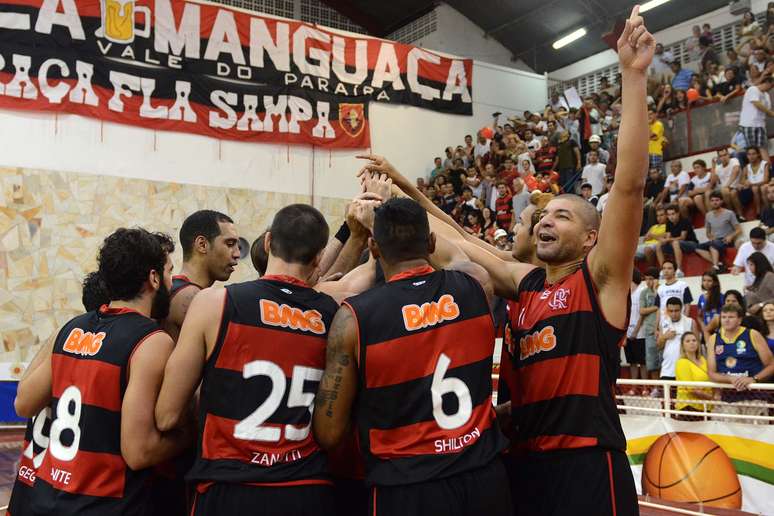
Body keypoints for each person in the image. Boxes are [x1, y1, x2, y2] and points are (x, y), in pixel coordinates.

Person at [354, 11, 651, 514]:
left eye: (562, 214)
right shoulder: (526, 284)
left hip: (585, 462)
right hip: (523, 460)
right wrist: (396, 199)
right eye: (542, 215)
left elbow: (629, 184)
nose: (544, 220)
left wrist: (633, 75)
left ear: (591, 239)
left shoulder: (599, 280)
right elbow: (453, 240)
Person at [153, 201, 382, 516]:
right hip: (306, 490)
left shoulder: (213, 303)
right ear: (317, 259)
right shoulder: (337, 315)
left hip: (228, 487)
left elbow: (167, 415)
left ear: (268, 242)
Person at [312, 198, 512, 516]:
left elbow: (329, 432)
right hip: (482, 479)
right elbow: (458, 253)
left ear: (375, 248)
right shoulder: (476, 285)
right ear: (430, 241)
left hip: (404, 488)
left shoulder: (354, 318)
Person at [13, 228, 194, 515]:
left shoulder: (73, 327)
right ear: (153, 278)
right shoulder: (151, 341)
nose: (172, 282)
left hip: (46, 499)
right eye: (169, 272)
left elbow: (23, 404)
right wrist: (191, 433)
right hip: (102, 504)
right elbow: (138, 453)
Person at [6, 271, 111, 516]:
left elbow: (23, 399)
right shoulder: (104, 346)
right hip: (55, 485)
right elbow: (22, 404)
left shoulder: (65, 334)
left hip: (35, 479)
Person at [165, 210, 240, 341]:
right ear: (202, 244)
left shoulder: (174, 289)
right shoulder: (191, 296)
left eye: (238, 246)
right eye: (229, 244)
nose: (237, 254)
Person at [707, 305, 773, 411]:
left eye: (731, 317)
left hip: (755, 397)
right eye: (724, 317)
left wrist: (753, 379)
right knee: (727, 427)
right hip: (728, 398)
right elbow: (711, 373)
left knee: (754, 428)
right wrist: (730, 379)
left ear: (739, 320)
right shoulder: (714, 339)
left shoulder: (752, 334)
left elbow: (771, 365)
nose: (726, 320)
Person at [696, 192, 741, 272]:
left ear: (721, 201)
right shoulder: (708, 215)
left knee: (713, 245)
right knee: (697, 248)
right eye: (712, 201)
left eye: (717, 200)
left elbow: (738, 229)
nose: (715, 202)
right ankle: (719, 264)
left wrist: (730, 236)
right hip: (715, 240)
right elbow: (708, 232)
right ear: (710, 202)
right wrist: (710, 237)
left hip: (726, 240)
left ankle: (715, 267)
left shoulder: (729, 213)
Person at [656, 297, 698, 380]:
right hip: (668, 369)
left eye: (676, 310)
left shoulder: (690, 322)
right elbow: (659, 346)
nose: (674, 314)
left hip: (686, 367)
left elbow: (698, 345)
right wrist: (664, 337)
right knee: (667, 393)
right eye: (671, 311)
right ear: (667, 310)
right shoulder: (663, 323)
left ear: (681, 309)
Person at [675, 332, 714, 417]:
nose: (691, 343)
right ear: (683, 345)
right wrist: (712, 397)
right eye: (687, 341)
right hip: (689, 407)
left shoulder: (703, 360)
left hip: (705, 406)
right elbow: (691, 389)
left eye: (694, 340)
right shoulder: (682, 362)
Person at [738, 78, 774, 166]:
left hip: (761, 125)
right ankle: (756, 172)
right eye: (772, 85)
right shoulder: (753, 89)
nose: (771, 88)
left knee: (762, 148)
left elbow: (768, 111)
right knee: (753, 151)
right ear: (767, 82)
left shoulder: (766, 95)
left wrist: (771, 113)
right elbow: (756, 103)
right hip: (749, 124)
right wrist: (771, 113)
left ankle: (769, 171)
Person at [656, 205, 698, 273]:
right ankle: (663, 269)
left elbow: (682, 237)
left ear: (678, 213)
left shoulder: (685, 221)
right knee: (658, 245)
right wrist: (663, 240)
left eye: (673, 214)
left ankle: (679, 269)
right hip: (676, 244)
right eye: (669, 215)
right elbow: (668, 236)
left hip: (691, 243)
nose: (671, 217)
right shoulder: (668, 223)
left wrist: (668, 240)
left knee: (675, 242)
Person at [640, 268, 661, 382]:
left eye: (651, 279)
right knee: (652, 362)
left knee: (664, 360)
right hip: (649, 330)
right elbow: (642, 311)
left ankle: (666, 389)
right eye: (646, 279)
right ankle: (656, 389)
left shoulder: (662, 289)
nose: (648, 281)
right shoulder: (644, 293)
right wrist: (656, 307)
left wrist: (656, 289)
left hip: (663, 329)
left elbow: (663, 304)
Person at [627, 270, 647, 381]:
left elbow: (642, 314)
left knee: (642, 362)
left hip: (640, 333)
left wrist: (635, 330)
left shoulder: (642, 291)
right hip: (628, 332)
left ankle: (644, 387)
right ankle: (634, 388)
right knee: (632, 362)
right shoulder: (625, 291)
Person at [713, 148, 745, 220]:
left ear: (728, 155)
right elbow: (714, 180)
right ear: (719, 158)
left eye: (725, 155)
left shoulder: (734, 160)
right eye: (721, 156)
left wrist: (728, 185)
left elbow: (736, 171)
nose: (723, 157)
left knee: (730, 192)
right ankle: (732, 214)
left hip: (736, 186)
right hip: (725, 189)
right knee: (725, 191)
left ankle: (740, 215)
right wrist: (713, 165)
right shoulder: (718, 167)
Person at [740, 145, 770, 217]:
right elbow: (742, 180)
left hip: (762, 185)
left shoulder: (764, 164)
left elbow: (766, 180)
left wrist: (753, 184)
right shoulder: (746, 167)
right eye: (749, 154)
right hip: (753, 188)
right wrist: (745, 182)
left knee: (761, 188)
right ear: (747, 156)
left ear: (758, 154)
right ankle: (758, 212)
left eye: (753, 154)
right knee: (754, 188)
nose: (751, 156)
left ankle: (768, 210)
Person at [697, 271, 724, 342]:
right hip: (706, 331)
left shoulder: (721, 297)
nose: (706, 283)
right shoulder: (701, 297)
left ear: (715, 282)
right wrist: (703, 327)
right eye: (704, 280)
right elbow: (699, 316)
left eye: (709, 281)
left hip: (718, 330)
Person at [647, 108, 665, 174]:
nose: (649, 116)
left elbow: (650, 135)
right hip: (648, 153)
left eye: (651, 114)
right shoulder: (649, 125)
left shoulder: (658, 124)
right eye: (647, 115)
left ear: (655, 115)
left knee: (657, 173)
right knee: (649, 175)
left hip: (656, 153)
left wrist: (647, 124)